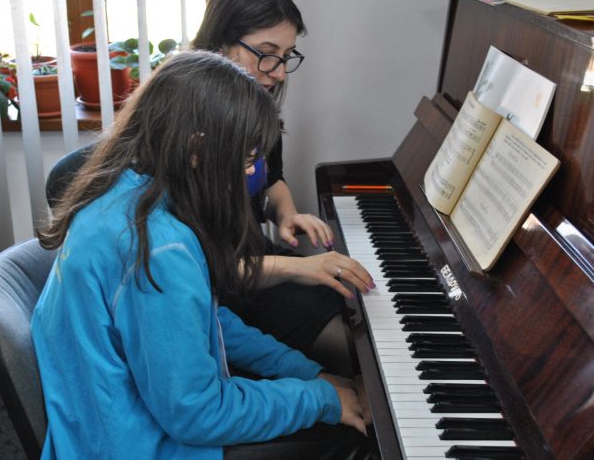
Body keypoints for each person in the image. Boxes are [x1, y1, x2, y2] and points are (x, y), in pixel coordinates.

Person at [32, 51, 370, 459]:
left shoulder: (123, 189)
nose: (252, 173)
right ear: (197, 149)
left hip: (102, 417)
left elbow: (205, 322)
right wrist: (321, 400)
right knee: (355, 437)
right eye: (246, 157)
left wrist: (305, 372)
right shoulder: (159, 249)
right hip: (132, 445)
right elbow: (198, 414)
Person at [192, 0, 374, 375]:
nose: (279, 73)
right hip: (224, 289)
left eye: (287, 55)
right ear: (220, 43)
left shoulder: (254, 102)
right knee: (358, 351)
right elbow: (204, 271)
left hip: (255, 259)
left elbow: (270, 177)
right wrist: (299, 268)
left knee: (359, 308)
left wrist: (287, 214)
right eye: (266, 54)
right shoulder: (193, 133)